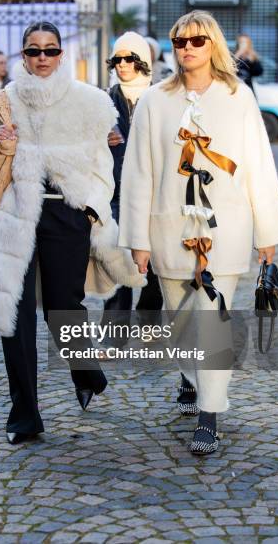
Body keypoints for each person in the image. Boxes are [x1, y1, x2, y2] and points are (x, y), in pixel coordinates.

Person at [0, 21, 144, 445]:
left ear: (61, 54)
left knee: (64, 307)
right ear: (22, 56)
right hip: (13, 215)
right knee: (15, 312)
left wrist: (90, 208)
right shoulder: (1, 101)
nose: (42, 57)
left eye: (49, 50)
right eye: (33, 50)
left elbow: (103, 167)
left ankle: (85, 369)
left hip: (67, 215)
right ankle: (24, 414)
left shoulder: (89, 102)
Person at [119, 10, 278, 455]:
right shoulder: (155, 101)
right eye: (179, 41)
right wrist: (137, 239)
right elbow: (138, 173)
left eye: (196, 40)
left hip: (226, 227)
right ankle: (193, 378)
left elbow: (258, 167)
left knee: (212, 319)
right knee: (181, 325)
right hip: (168, 228)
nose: (187, 48)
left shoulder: (239, 98)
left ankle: (210, 414)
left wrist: (266, 232)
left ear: (212, 44)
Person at [102, 32, 162, 339]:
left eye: (129, 58)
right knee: (117, 260)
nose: (122, 65)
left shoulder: (161, 97)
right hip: (116, 192)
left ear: (143, 61)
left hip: (156, 193)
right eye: (117, 59)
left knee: (155, 268)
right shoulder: (103, 101)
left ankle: (150, 322)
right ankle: (114, 333)